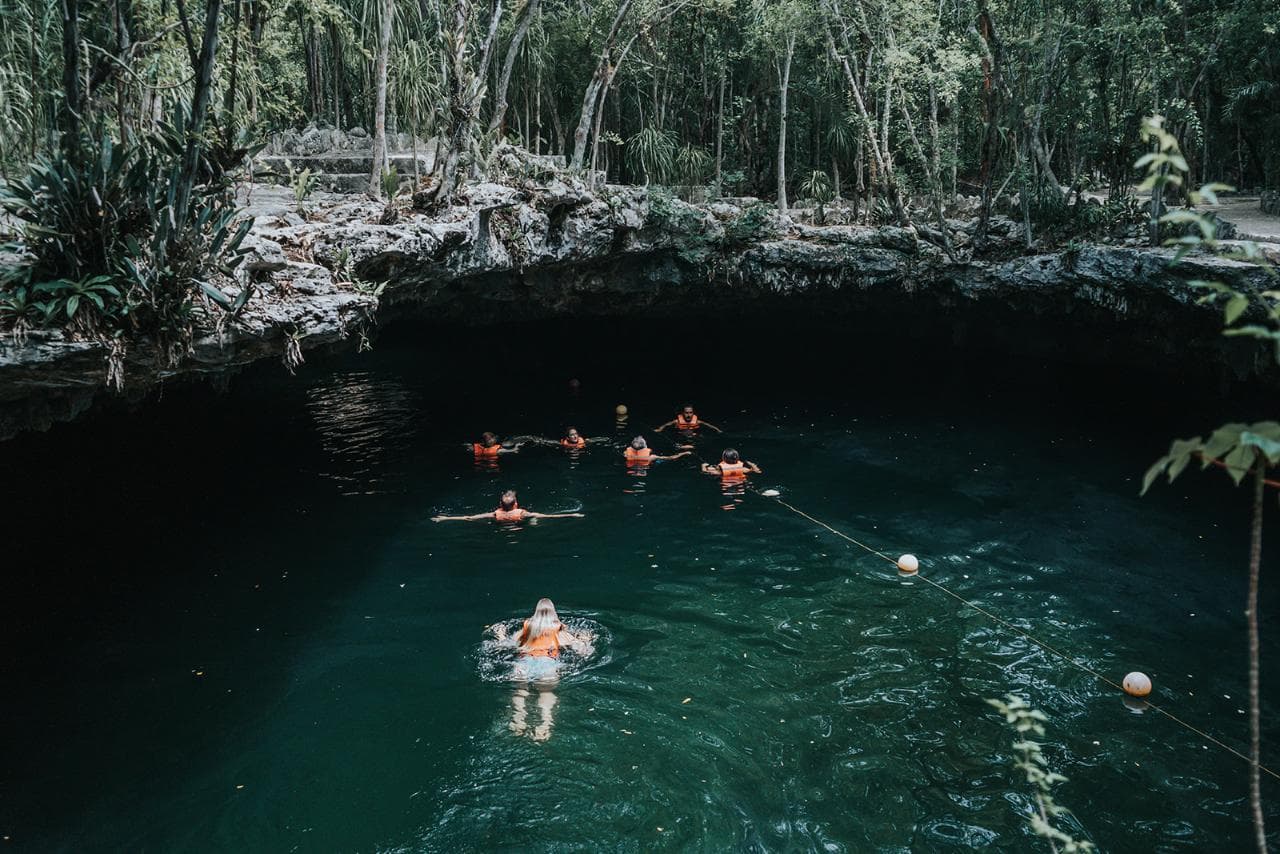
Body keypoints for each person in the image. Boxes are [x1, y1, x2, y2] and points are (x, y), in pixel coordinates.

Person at [490, 598, 595, 740]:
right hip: (547, 665)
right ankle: (545, 725)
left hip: (523, 664)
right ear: (554, 613)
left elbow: (505, 645)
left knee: (520, 691)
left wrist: (500, 634)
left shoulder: (526, 629)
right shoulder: (558, 631)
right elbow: (583, 650)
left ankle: (518, 719)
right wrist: (586, 639)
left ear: (536, 612)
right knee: (546, 693)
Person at [431, 490, 584, 523]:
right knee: (534, 520)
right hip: (520, 527)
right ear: (516, 504)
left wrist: (444, 518)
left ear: (499, 505)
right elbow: (549, 516)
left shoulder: (495, 514)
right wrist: (572, 515)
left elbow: (469, 517)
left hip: (501, 526)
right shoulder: (522, 513)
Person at [624, 436, 691, 467]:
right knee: (660, 461)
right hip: (647, 467)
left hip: (630, 467)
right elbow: (671, 458)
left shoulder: (626, 453)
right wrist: (684, 453)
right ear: (645, 446)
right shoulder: (652, 457)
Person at [655, 405, 723, 434]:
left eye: (690, 413)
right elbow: (666, 424)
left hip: (693, 435)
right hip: (680, 434)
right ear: (683, 413)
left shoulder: (697, 422)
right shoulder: (677, 421)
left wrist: (718, 430)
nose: (688, 415)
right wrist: (660, 429)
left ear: (693, 413)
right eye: (686, 413)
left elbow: (709, 425)